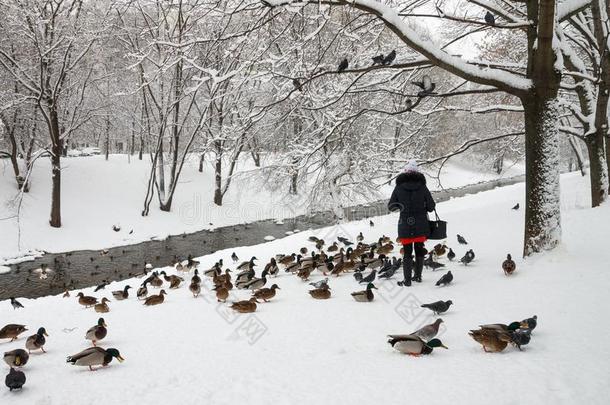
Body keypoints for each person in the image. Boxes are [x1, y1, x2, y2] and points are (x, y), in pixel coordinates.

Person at [387, 160, 436, 286]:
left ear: (405, 172)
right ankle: (418, 277)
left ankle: (407, 280)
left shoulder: (398, 187)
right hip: (421, 223)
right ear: (417, 172)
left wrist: (401, 205)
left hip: (405, 224)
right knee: (419, 249)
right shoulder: (422, 186)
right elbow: (431, 206)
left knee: (407, 252)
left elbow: (391, 206)